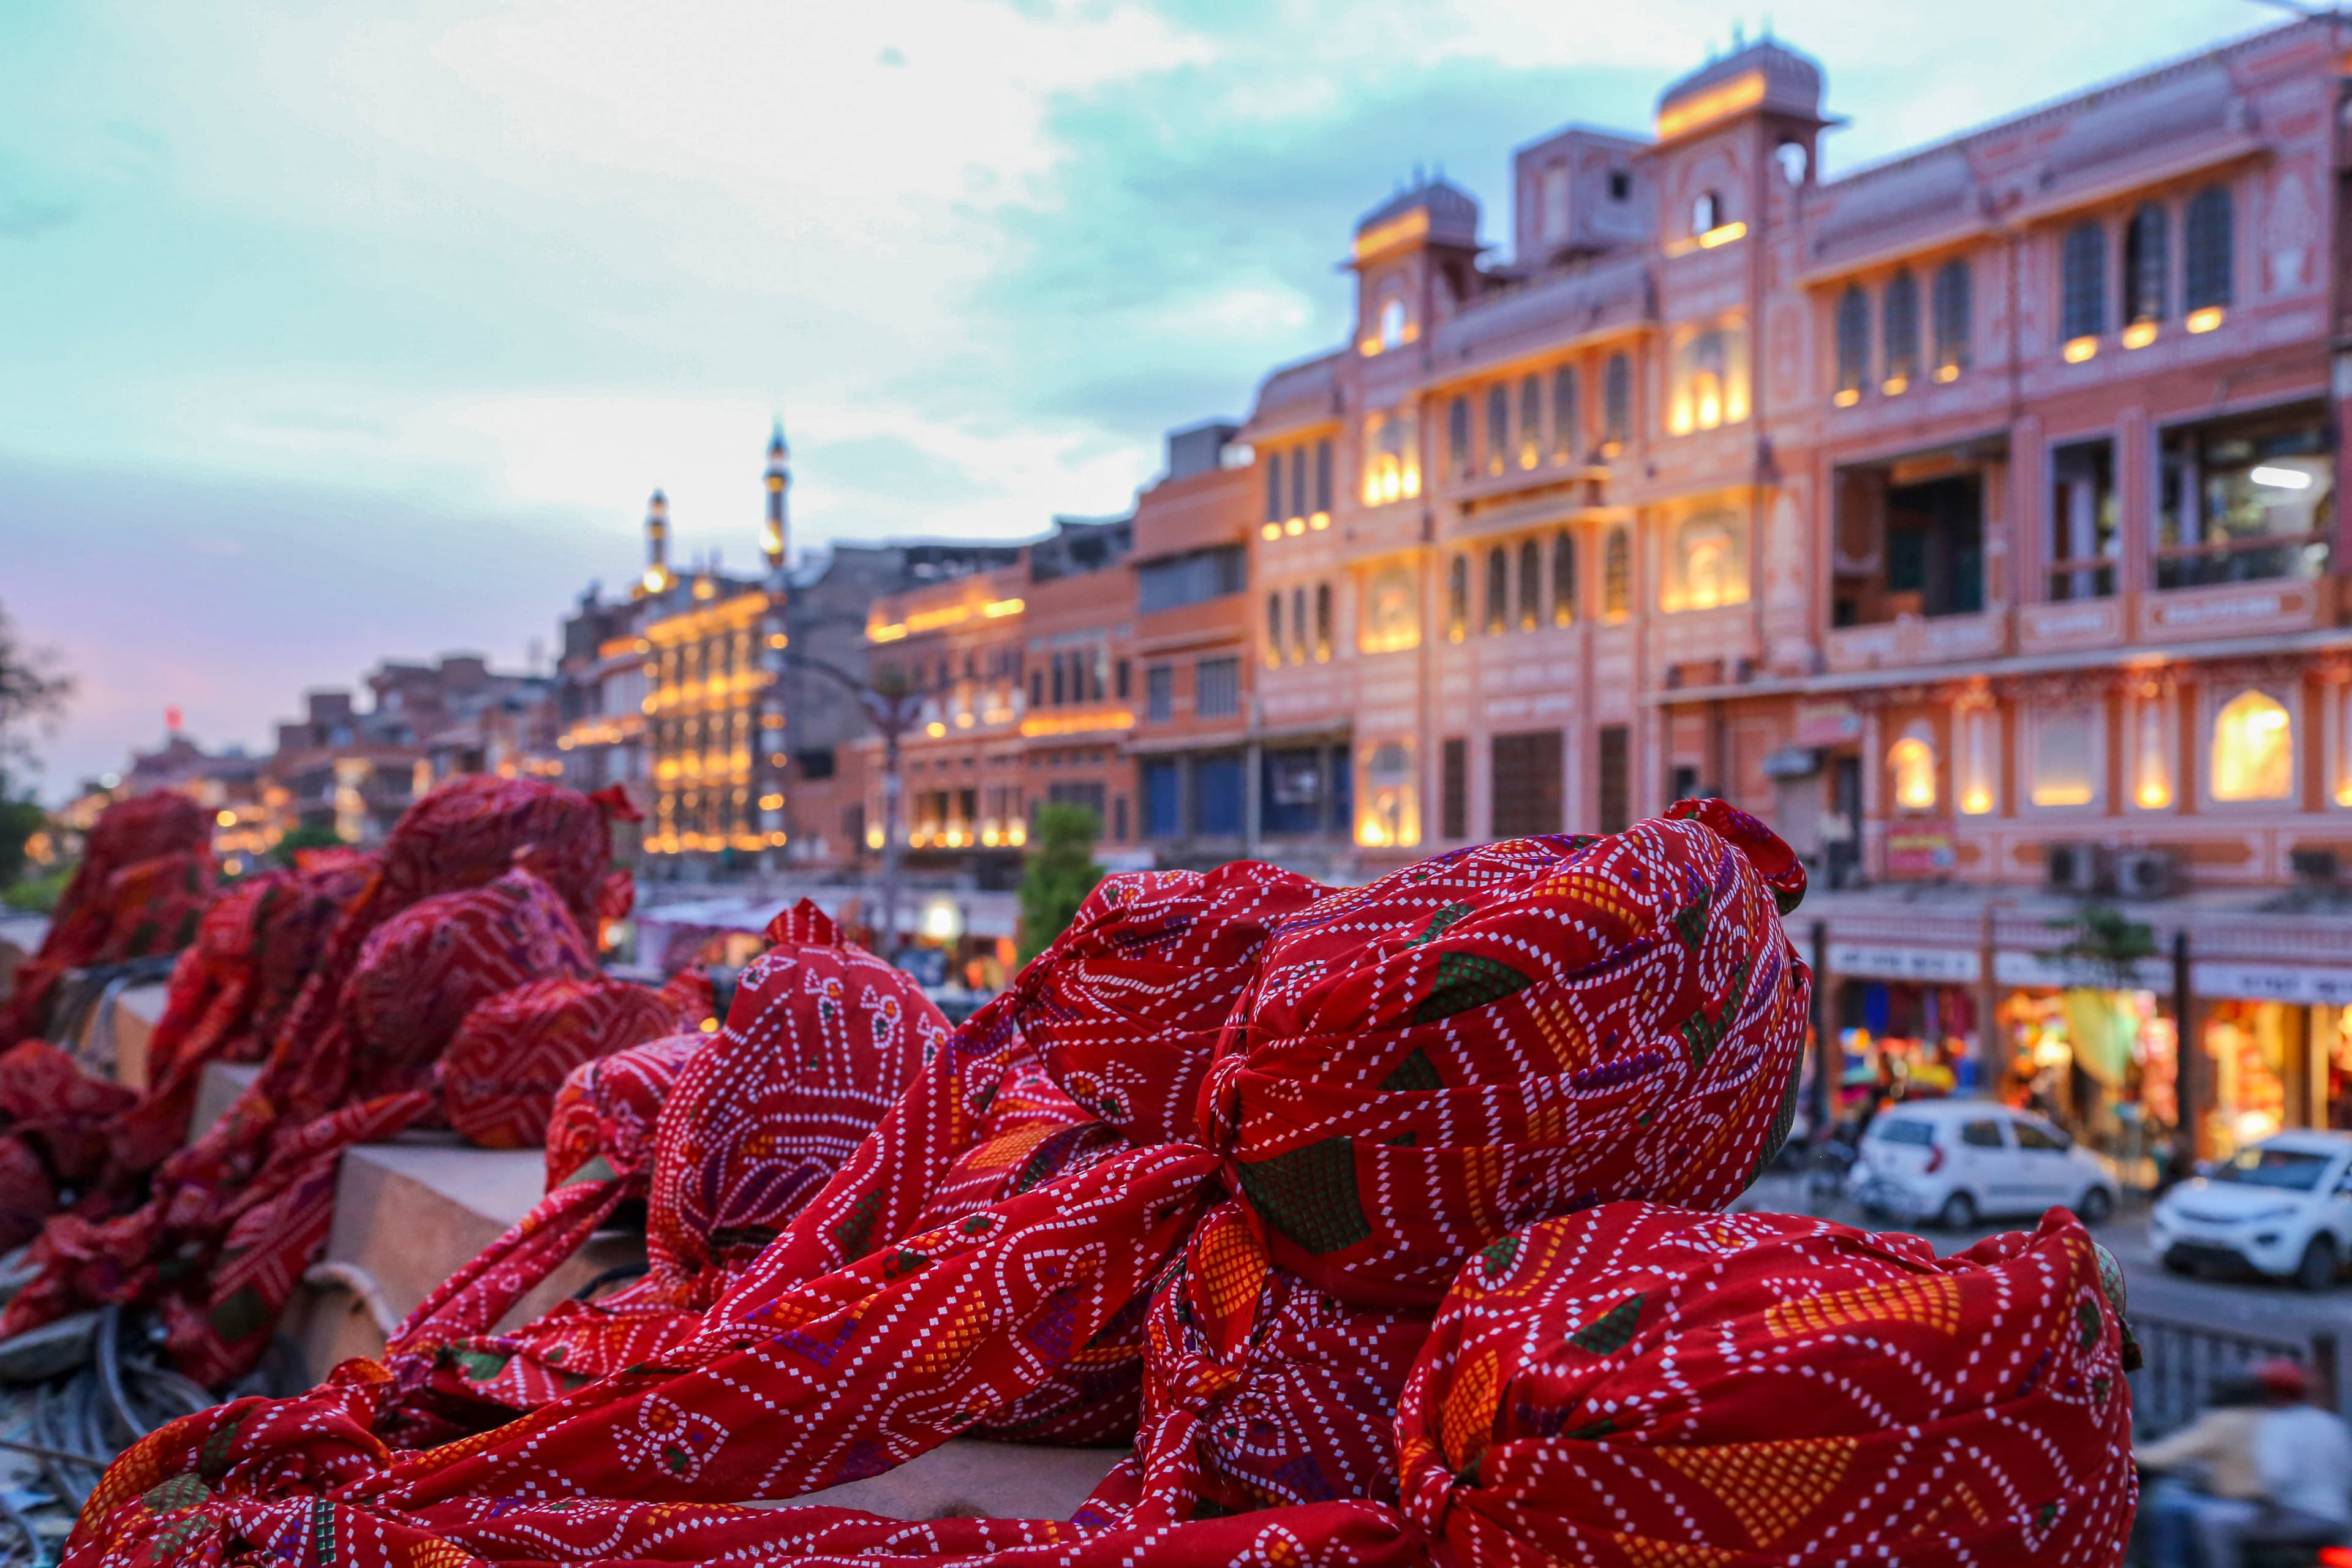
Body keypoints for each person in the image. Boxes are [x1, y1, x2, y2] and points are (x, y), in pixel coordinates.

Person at [2138, 1360, 2352, 1567]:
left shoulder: (2277, 1424)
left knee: (2213, 1522)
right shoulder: (2329, 1422)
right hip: (2337, 1517)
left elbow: (2277, 1475)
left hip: (2295, 1515)